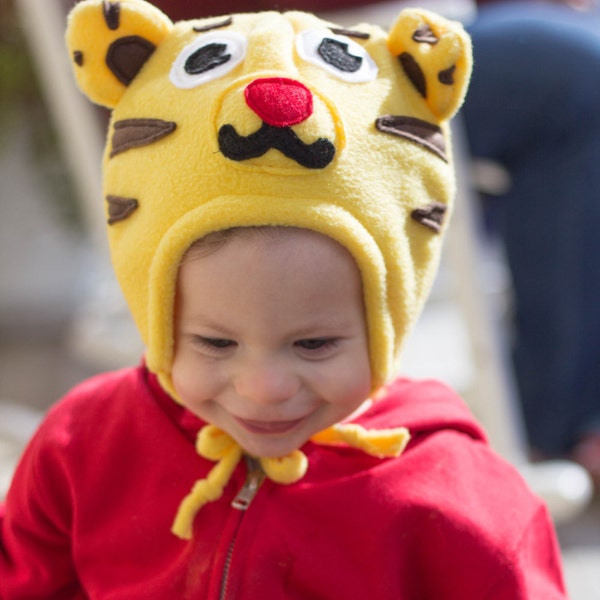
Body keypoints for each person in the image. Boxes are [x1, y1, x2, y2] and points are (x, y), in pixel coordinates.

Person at [0, 0, 568, 597]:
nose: (264, 387)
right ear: (154, 310)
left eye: (315, 343)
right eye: (215, 342)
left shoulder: (457, 500)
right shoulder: (83, 448)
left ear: (389, 317)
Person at [460, 0, 600, 476]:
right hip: (309, 47)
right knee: (578, 77)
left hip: (430, 26)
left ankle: (570, 413)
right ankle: (553, 425)